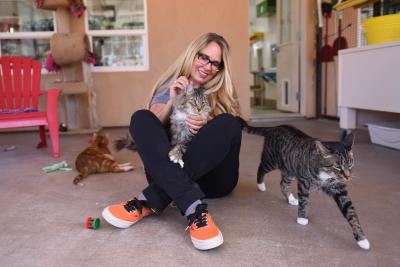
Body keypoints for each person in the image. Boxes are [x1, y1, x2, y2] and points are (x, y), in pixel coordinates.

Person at [102, 32, 242, 250]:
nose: (208, 66)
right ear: (192, 54)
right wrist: (172, 102)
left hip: (212, 181)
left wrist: (207, 123)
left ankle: (147, 201)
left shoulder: (221, 92)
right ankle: (195, 208)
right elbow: (152, 121)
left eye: (215, 63)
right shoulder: (172, 84)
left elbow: (225, 135)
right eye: (204, 57)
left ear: (220, 69)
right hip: (171, 171)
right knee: (141, 117)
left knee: (229, 123)